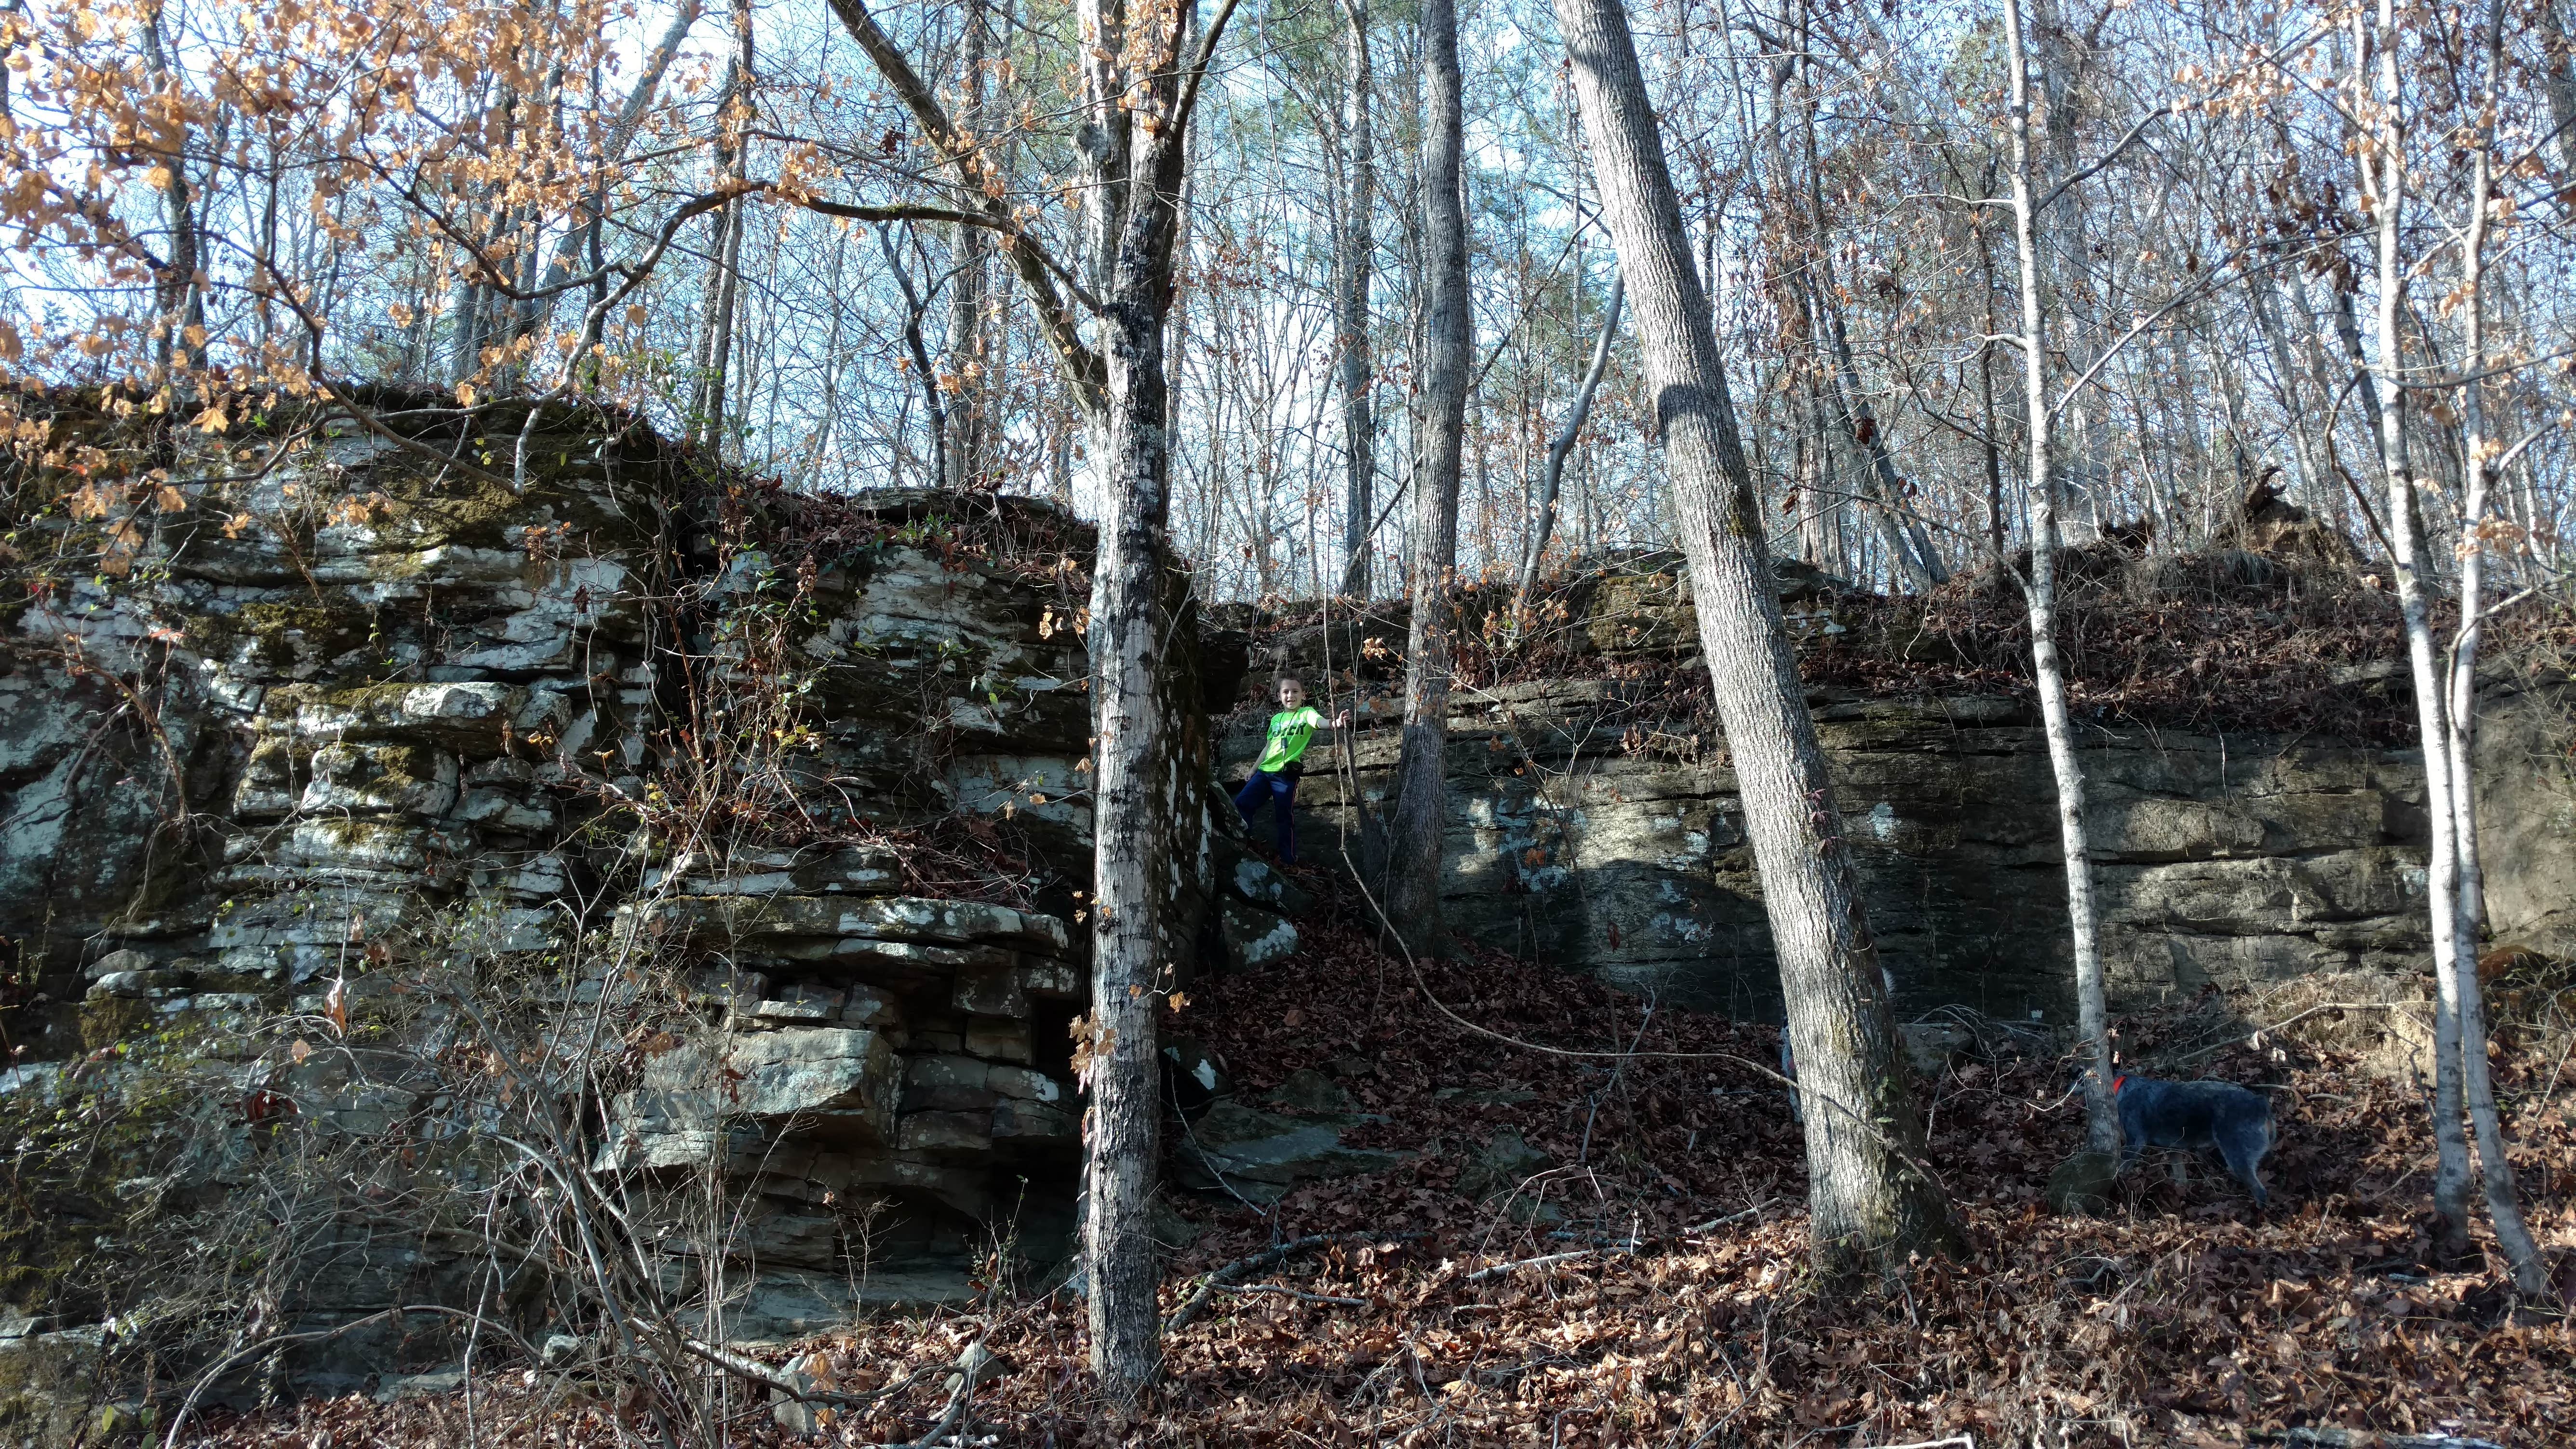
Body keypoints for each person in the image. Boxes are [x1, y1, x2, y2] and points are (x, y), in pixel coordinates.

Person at [1234, 677, 1348, 867]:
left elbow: (1321, 722)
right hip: (1264, 772)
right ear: (1280, 696)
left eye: (1295, 691)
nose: (1290, 696)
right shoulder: (1276, 719)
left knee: (1284, 816)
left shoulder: (1306, 714)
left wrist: (1336, 723)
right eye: (1286, 692)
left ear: (1303, 695)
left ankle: (1288, 860)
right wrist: (1253, 770)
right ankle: (1243, 845)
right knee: (1242, 803)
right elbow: (1268, 746)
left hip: (1285, 776)